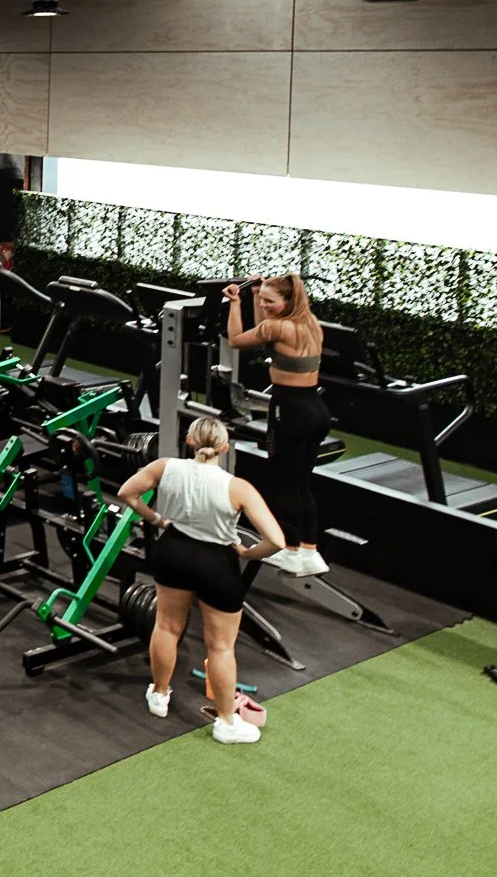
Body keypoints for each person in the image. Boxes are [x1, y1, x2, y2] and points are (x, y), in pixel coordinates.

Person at [116, 419, 285, 745]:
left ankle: (159, 695)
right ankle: (225, 723)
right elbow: (276, 540)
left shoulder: (165, 467)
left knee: (166, 626)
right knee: (220, 646)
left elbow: (127, 493)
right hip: (216, 563)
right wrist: (249, 553)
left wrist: (155, 519)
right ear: (225, 447)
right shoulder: (238, 487)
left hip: (173, 552)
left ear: (190, 440)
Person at [226, 273, 329, 575]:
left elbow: (237, 340)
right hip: (316, 411)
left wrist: (235, 303)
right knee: (301, 483)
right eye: (261, 300)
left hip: (291, 413)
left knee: (285, 486)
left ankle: (289, 549)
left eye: (270, 301)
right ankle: (310, 552)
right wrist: (257, 291)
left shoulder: (277, 326)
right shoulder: (309, 323)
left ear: (287, 302)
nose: (264, 305)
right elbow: (265, 327)